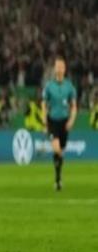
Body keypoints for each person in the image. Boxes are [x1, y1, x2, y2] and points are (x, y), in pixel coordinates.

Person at [41, 56, 77, 191]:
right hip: (53, 121)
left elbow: (74, 106)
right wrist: (44, 121)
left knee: (60, 151)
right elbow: (44, 104)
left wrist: (72, 120)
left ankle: (58, 178)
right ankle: (58, 179)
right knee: (56, 148)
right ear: (54, 69)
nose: (59, 69)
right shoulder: (49, 86)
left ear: (65, 69)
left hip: (64, 122)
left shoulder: (69, 87)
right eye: (57, 67)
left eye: (61, 67)